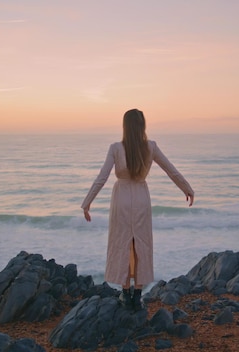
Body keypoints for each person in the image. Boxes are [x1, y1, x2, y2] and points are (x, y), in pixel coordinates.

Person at [82, 109, 194, 310]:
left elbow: (102, 177)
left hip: (121, 199)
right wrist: (187, 188)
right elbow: (171, 170)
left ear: (125, 126)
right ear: (143, 126)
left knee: (122, 244)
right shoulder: (150, 147)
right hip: (142, 199)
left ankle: (125, 293)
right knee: (141, 244)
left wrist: (87, 202)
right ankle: (138, 294)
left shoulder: (116, 148)